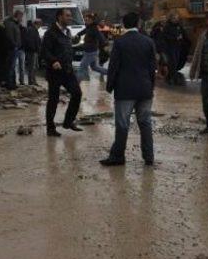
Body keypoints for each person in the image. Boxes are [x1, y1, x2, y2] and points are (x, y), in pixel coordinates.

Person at [100, 12, 156, 166]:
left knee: (123, 124)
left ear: (124, 25)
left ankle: (118, 157)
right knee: (145, 123)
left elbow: (113, 67)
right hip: (145, 89)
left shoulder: (120, 43)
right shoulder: (148, 41)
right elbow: (153, 68)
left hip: (125, 90)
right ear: (138, 23)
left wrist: (109, 86)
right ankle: (149, 157)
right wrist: (151, 87)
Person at [41, 8, 83, 137]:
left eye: (70, 15)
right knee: (53, 99)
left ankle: (68, 121)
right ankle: (50, 128)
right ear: (59, 17)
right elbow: (44, 51)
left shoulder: (68, 32)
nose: (70, 18)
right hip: (55, 72)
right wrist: (53, 61)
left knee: (77, 93)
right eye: (67, 15)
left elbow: (67, 49)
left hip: (67, 70)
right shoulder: (50, 33)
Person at [77, 13, 108, 81]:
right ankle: (110, 73)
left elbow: (101, 37)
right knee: (95, 67)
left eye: (87, 20)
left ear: (91, 20)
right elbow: (83, 31)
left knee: (82, 67)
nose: (85, 21)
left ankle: (74, 86)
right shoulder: (89, 27)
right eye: (85, 20)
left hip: (91, 52)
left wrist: (105, 45)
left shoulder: (94, 28)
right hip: (89, 51)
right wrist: (77, 35)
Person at [162, 12, 186, 84]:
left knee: (176, 61)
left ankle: (173, 76)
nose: (176, 19)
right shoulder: (167, 27)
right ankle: (171, 77)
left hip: (178, 46)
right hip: (170, 47)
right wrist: (175, 38)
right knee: (172, 62)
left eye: (177, 18)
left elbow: (183, 34)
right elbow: (165, 37)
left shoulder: (179, 26)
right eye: (174, 18)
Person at [4, 10, 24, 89]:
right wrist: (15, 45)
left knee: (12, 67)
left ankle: (12, 83)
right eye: (21, 17)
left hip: (15, 48)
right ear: (18, 16)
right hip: (12, 48)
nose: (22, 18)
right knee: (11, 67)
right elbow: (10, 36)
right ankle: (9, 84)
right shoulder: (10, 24)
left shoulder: (15, 24)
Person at [23, 19, 42, 85]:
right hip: (32, 51)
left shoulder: (33, 30)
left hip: (33, 51)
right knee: (32, 67)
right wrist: (35, 48)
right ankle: (31, 81)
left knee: (34, 66)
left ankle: (33, 80)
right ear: (38, 24)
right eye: (40, 24)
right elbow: (31, 41)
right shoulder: (32, 30)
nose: (40, 26)